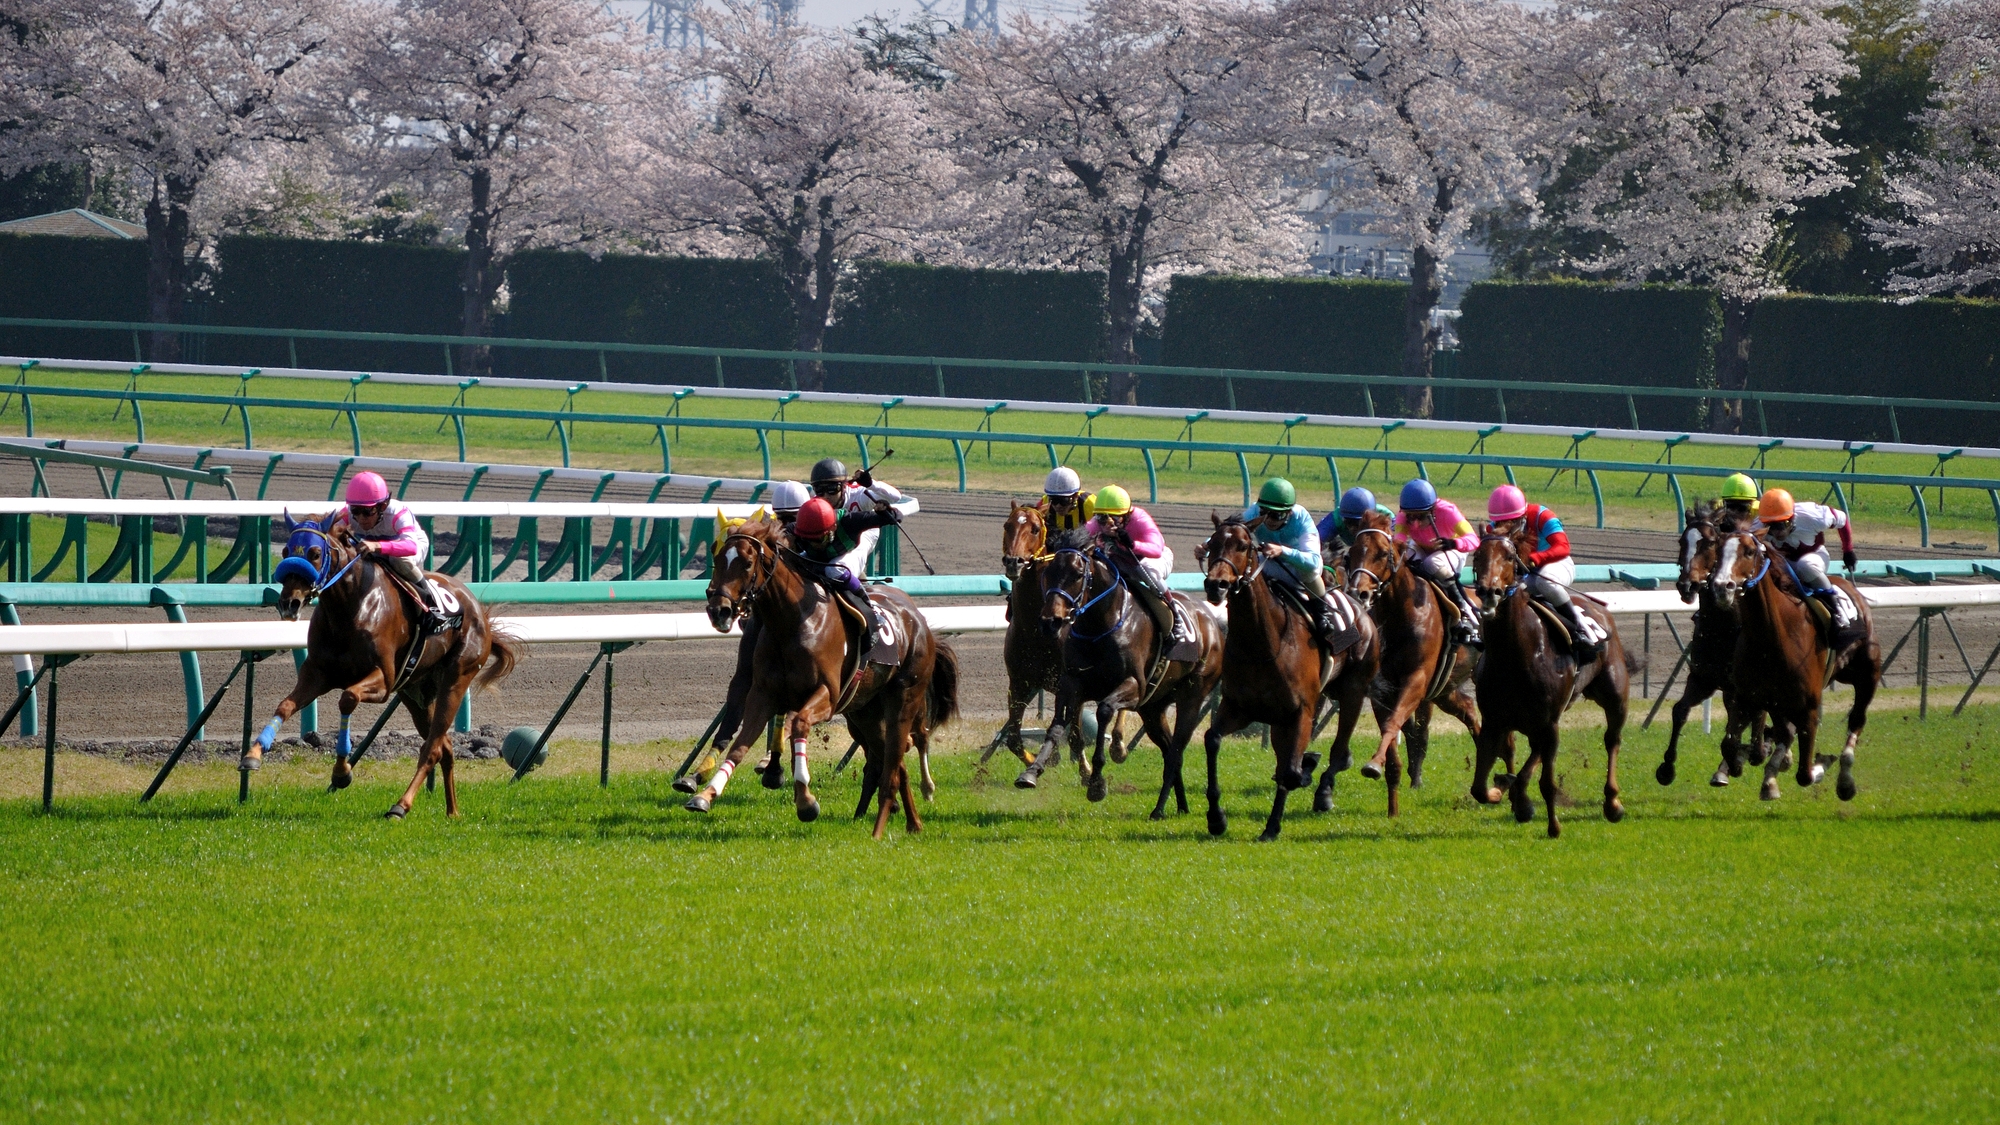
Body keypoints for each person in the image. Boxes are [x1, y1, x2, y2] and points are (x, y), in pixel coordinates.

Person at [709, 481, 813, 754]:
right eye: (785, 519)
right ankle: (721, 746)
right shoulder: (769, 540)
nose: (789, 525)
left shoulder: (812, 533)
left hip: (806, 611)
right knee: (744, 676)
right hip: (770, 616)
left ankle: (774, 751)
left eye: (794, 519)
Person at [1486, 484, 1603, 661]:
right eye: (1501, 523)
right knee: (1509, 592)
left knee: (1545, 582)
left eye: (1512, 522)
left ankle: (1581, 628)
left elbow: (1563, 547)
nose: (1506, 527)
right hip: (1527, 573)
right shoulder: (1493, 528)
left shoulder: (1542, 516)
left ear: (1523, 515)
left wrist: (1537, 558)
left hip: (1557, 563)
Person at [328, 471, 449, 632]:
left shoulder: (398, 512)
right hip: (372, 544)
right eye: (356, 511)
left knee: (399, 560)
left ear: (382, 506)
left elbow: (411, 546)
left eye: (367, 512)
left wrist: (377, 546)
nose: (361, 518)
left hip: (409, 546)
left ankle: (431, 606)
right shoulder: (348, 513)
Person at [793, 495, 903, 665]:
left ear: (833, 528)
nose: (816, 545)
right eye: (809, 540)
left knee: (834, 570)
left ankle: (870, 610)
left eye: (821, 539)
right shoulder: (797, 529)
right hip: (820, 560)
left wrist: (887, 511)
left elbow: (897, 516)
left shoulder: (850, 521)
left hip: (848, 554)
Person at [1085, 484, 1193, 648]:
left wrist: (1132, 544)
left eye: (1113, 519)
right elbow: (1083, 534)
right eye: (1101, 518)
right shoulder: (1097, 523)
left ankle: (1176, 617)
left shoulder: (1140, 519)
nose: (1106, 524)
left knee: (1148, 571)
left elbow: (1156, 549)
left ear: (1126, 516)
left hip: (1151, 560)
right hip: (1121, 561)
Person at [1244, 478, 1345, 643]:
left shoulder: (1301, 518)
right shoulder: (1252, 513)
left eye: (1276, 515)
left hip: (1299, 570)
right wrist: (1206, 546)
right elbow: (1229, 532)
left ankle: (1322, 616)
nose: (1268, 519)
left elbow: (1313, 561)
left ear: (1289, 512)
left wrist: (1282, 551)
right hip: (1268, 564)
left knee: (1310, 570)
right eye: (1264, 512)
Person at [1757, 488, 1861, 636]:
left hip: (1814, 556)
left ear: (1792, 518)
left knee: (1805, 566)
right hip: (1783, 562)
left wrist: (1848, 550)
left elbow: (1842, 520)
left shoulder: (1812, 516)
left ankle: (1836, 609)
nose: (1776, 532)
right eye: (1771, 527)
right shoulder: (1759, 525)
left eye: (1781, 525)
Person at [1393, 478, 1482, 647]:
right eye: (1411, 518)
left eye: (1420, 517)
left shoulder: (1448, 512)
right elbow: (1399, 542)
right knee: (1406, 560)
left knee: (1432, 564)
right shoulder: (1402, 516)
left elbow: (1473, 540)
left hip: (1451, 550)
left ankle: (1465, 613)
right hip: (1422, 548)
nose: (1416, 524)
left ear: (1433, 510)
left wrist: (1453, 543)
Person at [809, 457, 904, 580]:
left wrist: (871, 484)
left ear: (844, 486)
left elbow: (896, 497)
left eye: (832, 489)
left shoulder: (860, 495)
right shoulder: (814, 501)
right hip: (834, 536)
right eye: (820, 490)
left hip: (864, 534)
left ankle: (862, 597)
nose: (826, 496)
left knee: (835, 570)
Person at [1318, 486, 1396, 553]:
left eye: (1357, 523)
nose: (1352, 528)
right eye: (1348, 522)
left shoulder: (1386, 516)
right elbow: (1314, 541)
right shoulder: (1336, 518)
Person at [1043, 466, 1095, 532]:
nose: (1058, 506)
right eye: (1054, 500)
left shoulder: (1090, 504)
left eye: (1063, 500)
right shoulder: (1044, 503)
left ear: (1075, 495)